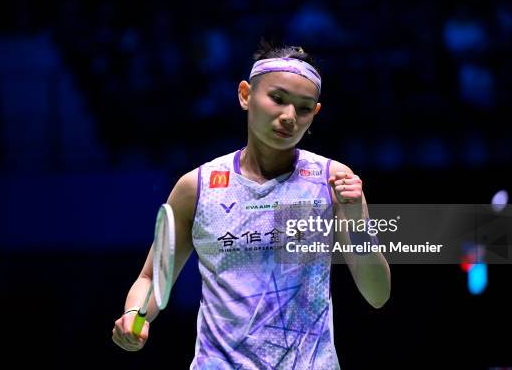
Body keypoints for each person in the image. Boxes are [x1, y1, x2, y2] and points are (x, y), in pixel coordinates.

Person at [112, 41, 391, 369]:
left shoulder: (333, 182)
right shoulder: (197, 187)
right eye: (277, 99)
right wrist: (134, 315)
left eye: (303, 108)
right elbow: (152, 277)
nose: (289, 117)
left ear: (314, 113)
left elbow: (377, 294)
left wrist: (356, 218)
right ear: (246, 95)